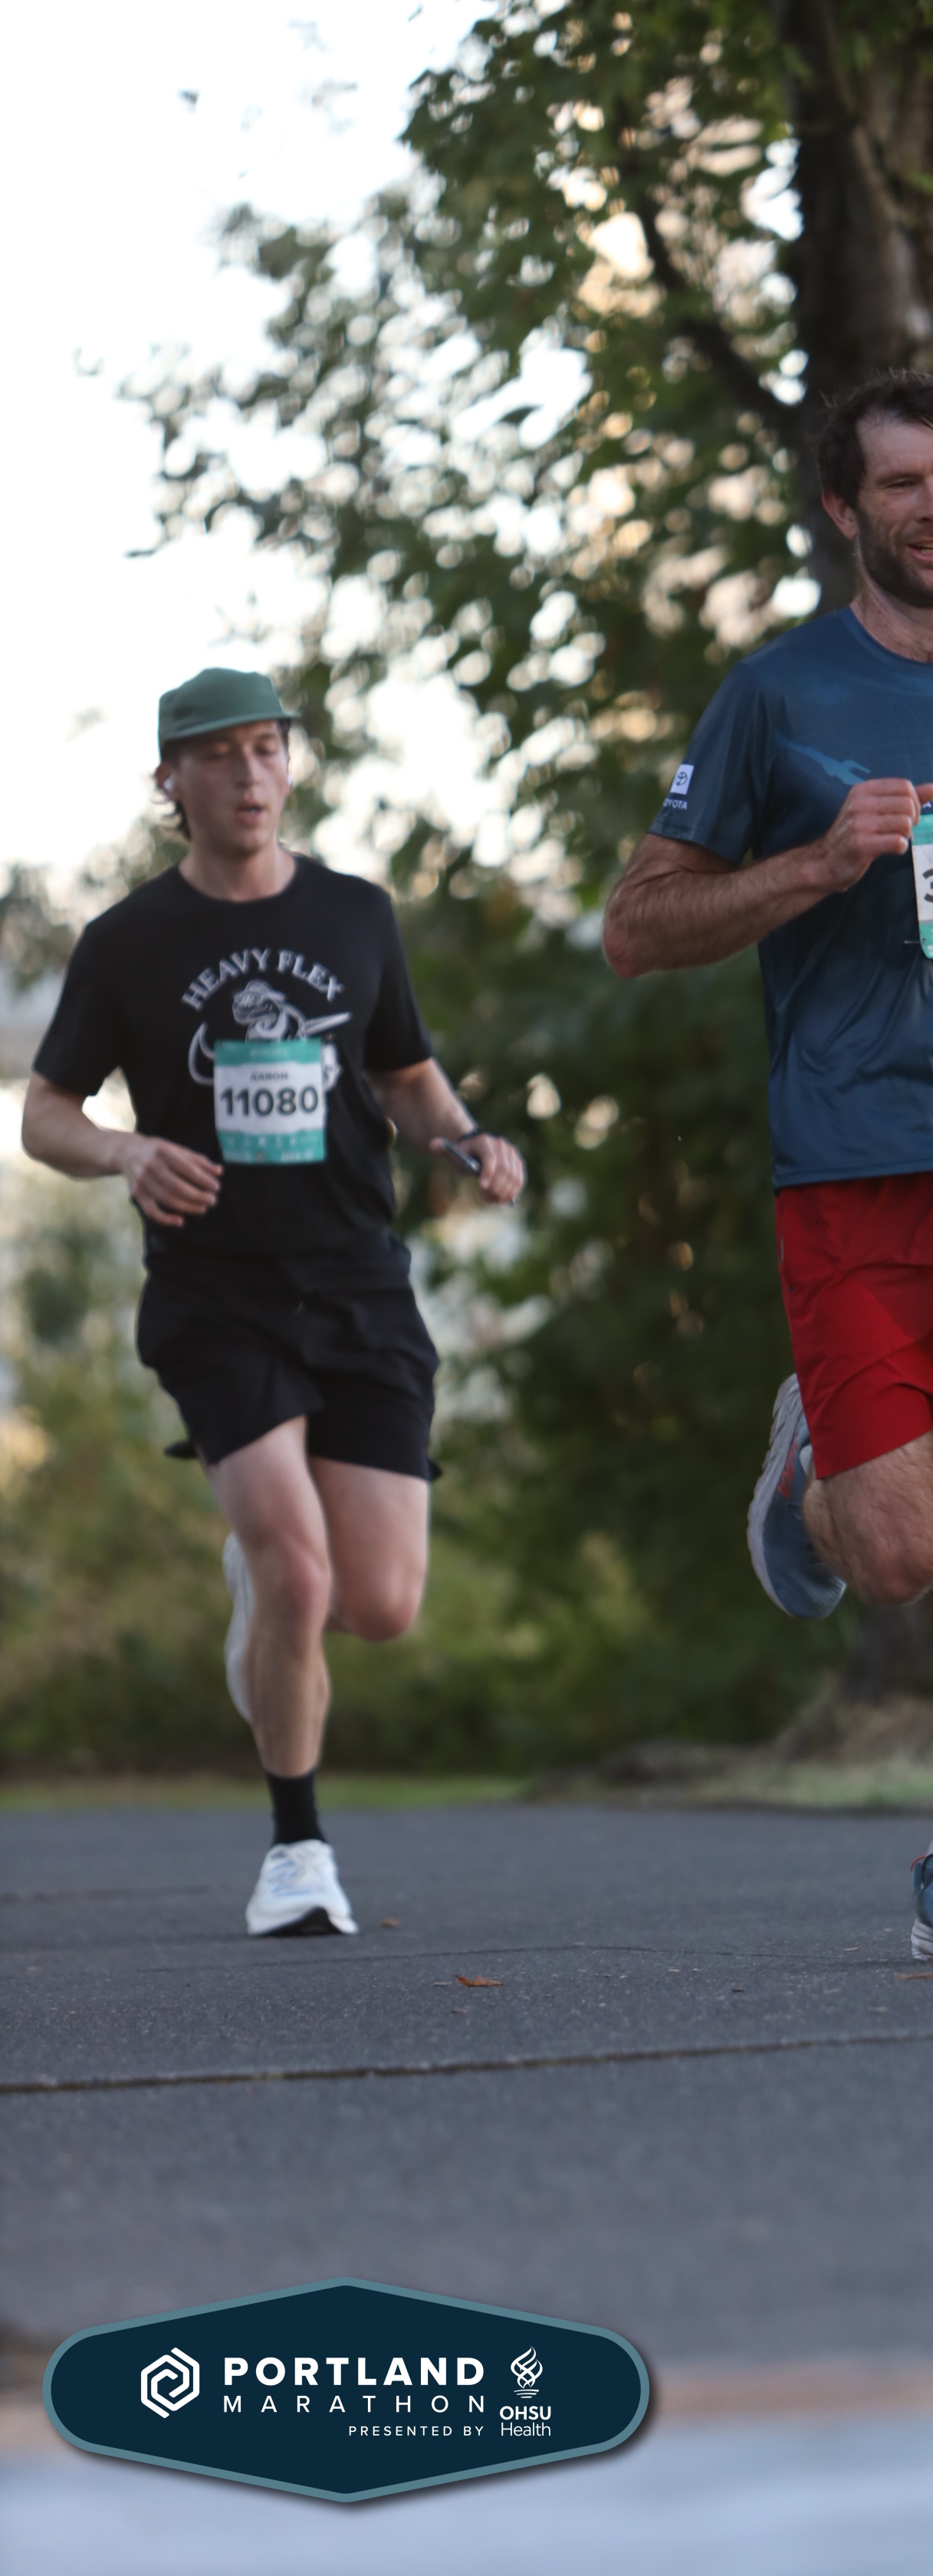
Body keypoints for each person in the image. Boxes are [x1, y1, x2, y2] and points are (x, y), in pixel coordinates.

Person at [603, 373, 933, 1962]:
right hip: (856, 1166)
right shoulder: (777, 699)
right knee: (898, 1559)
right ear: (844, 509)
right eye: (900, 484)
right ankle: (809, 1468)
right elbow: (636, 928)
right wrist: (817, 864)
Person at [22, 669, 524, 1938]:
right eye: (218, 755)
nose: (249, 775)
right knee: (298, 1572)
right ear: (170, 780)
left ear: (289, 764)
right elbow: (46, 1115)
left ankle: (264, 1591)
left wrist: (465, 1140)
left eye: (266, 749)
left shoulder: (356, 914)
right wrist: (127, 1153)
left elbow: (404, 1075)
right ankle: (298, 1852)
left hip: (358, 1281)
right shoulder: (128, 942)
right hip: (216, 1294)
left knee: (380, 1605)